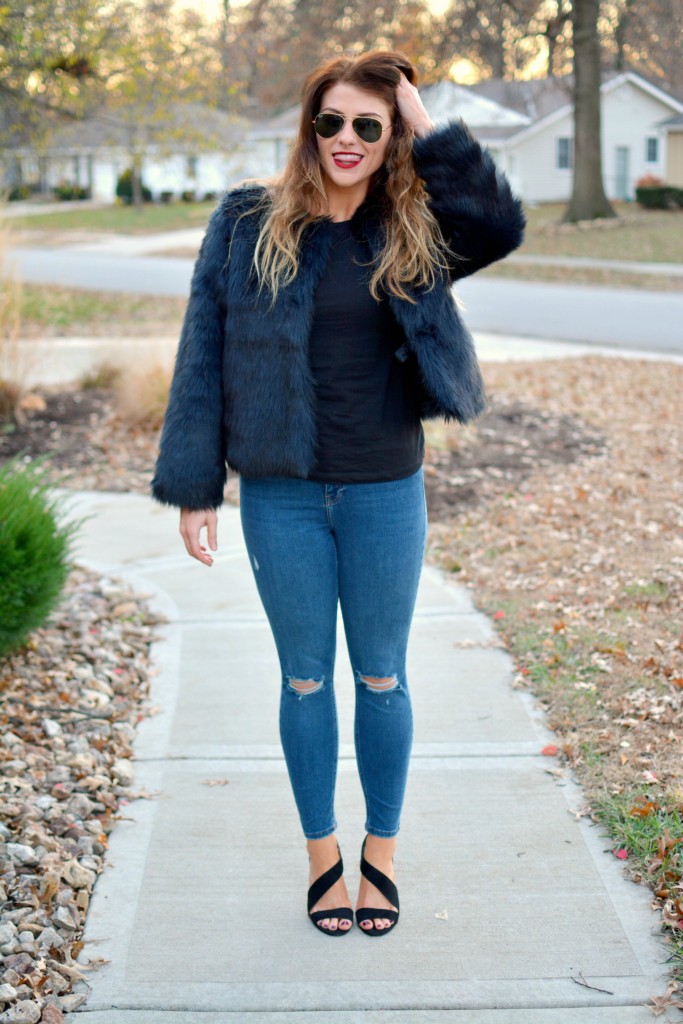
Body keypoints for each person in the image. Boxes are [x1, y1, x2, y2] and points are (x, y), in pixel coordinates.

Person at [151, 49, 525, 938]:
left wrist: (423, 120)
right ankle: (323, 857)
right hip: (280, 496)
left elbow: (499, 225)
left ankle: (380, 855)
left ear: (389, 133)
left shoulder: (411, 225)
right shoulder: (247, 221)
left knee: (382, 676)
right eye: (332, 122)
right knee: (307, 680)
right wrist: (195, 487)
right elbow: (200, 352)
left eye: (369, 124)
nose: (347, 139)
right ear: (307, 127)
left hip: (384, 491)